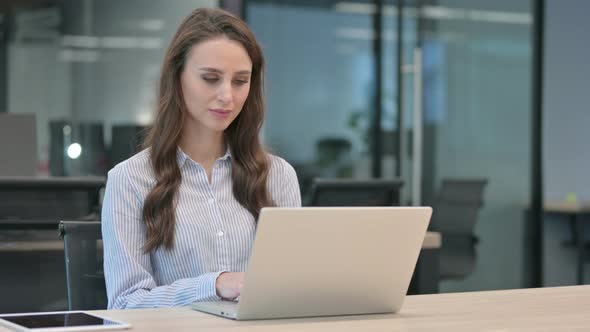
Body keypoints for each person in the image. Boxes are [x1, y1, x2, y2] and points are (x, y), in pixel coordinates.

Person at [101, 7, 301, 309]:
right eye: (211, 78)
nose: (227, 96)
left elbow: (293, 287)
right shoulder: (130, 179)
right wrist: (216, 284)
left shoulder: (278, 176)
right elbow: (127, 303)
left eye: (240, 81)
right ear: (177, 77)